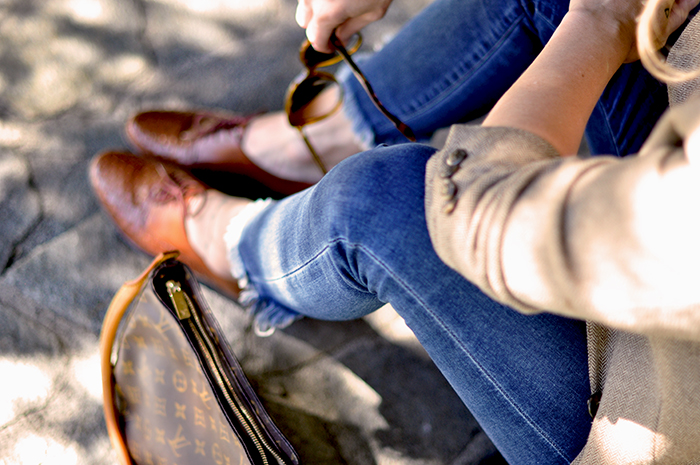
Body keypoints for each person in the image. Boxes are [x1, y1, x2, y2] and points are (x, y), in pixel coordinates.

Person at [88, 0, 700, 462]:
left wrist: (598, 24)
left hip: (644, 415)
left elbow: (474, 208)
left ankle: (236, 246)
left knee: (387, 202)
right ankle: (318, 140)